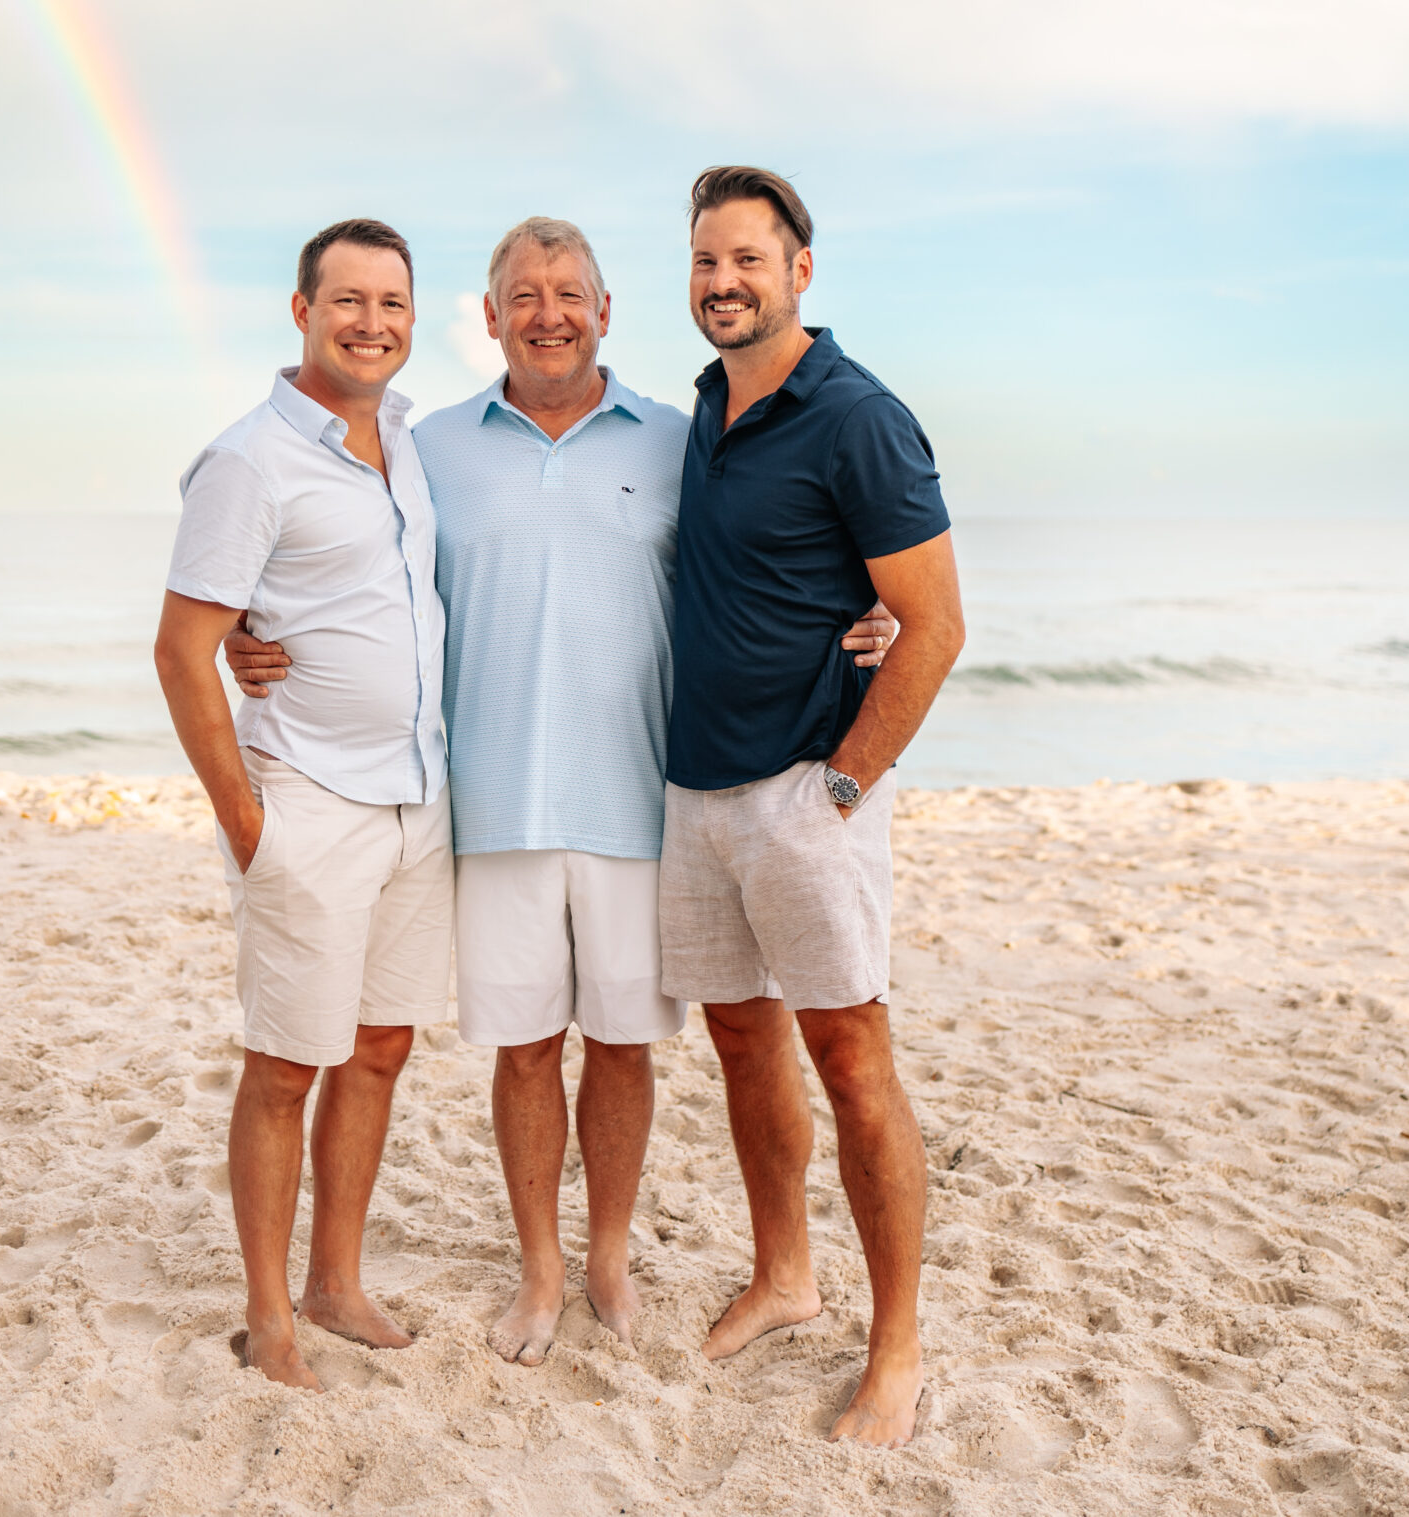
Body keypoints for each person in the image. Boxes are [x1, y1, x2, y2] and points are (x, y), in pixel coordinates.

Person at [224, 217, 896, 1368]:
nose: (547, 312)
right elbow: (347, 556)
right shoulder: (427, 445)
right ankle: (541, 1265)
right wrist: (248, 625)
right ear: (487, 317)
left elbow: (771, 560)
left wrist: (864, 619)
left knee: (623, 1045)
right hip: (487, 809)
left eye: (568, 292)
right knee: (524, 1047)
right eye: (522, 294)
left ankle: (608, 1256)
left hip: (645, 802)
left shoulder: (686, 441)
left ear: (603, 309)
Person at [659, 166, 966, 1448]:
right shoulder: (702, 407)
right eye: (703, 262)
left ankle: (893, 1348)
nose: (722, 282)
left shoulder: (857, 415)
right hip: (691, 792)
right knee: (739, 1040)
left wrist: (841, 786)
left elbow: (935, 627)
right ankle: (785, 1274)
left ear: (798, 271)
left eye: (746, 259)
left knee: (851, 1059)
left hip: (801, 792)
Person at [152, 218, 450, 1393]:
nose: (370, 322)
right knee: (285, 1063)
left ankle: (336, 1278)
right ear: (300, 310)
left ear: (412, 318)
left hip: (418, 800)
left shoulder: (415, 443)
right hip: (306, 799)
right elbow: (182, 649)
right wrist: (245, 817)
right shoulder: (248, 461)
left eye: (391, 302)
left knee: (377, 1050)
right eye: (347, 301)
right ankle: (270, 1312)